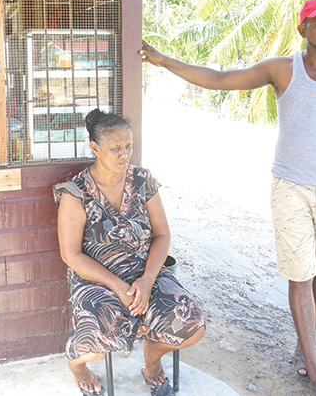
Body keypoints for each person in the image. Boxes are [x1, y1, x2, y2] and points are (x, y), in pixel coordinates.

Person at [138, 0, 316, 396]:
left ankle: (301, 346)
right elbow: (221, 78)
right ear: (303, 28)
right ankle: (313, 366)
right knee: (299, 273)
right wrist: (166, 61)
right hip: (290, 188)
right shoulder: (282, 69)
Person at [54, 109, 205, 396]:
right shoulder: (76, 193)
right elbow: (71, 255)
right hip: (97, 281)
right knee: (93, 346)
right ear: (95, 149)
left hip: (146, 274)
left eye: (129, 146)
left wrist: (147, 280)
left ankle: (151, 357)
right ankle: (79, 368)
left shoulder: (143, 180)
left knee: (193, 325)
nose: (125, 154)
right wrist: (118, 286)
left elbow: (162, 234)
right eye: (116, 148)